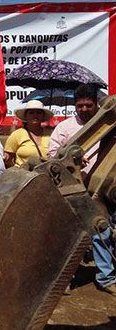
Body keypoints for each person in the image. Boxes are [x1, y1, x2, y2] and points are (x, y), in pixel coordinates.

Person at [48, 84, 116, 294]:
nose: (84, 109)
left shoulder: (109, 125)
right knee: (68, 235)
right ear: (74, 105)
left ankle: (106, 278)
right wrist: (72, 161)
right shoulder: (65, 128)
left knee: (101, 231)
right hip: (72, 189)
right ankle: (65, 278)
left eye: (88, 105)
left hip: (102, 188)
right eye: (80, 106)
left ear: (96, 104)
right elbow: (53, 156)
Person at [4, 100, 53, 168]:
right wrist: (16, 171)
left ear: (43, 116)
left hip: (46, 176)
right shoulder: (17, 135)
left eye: (39, 113)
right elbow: (7, 159)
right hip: (23, 176)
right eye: (31, 113)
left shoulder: (51, 134)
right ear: (26, 116)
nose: (35, 115)